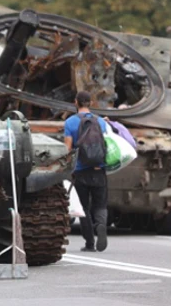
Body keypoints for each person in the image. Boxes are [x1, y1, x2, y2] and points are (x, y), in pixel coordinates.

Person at [64, 91, 109, 252]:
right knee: (100, 204)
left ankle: (90, 243)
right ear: (90, 103)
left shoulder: (70, 122)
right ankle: (101, 225)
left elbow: (67, 149)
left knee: (84, 208)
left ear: (76, 102)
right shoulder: (100, 122)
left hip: (80, 172)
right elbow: (107, 144)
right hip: (99, 169)